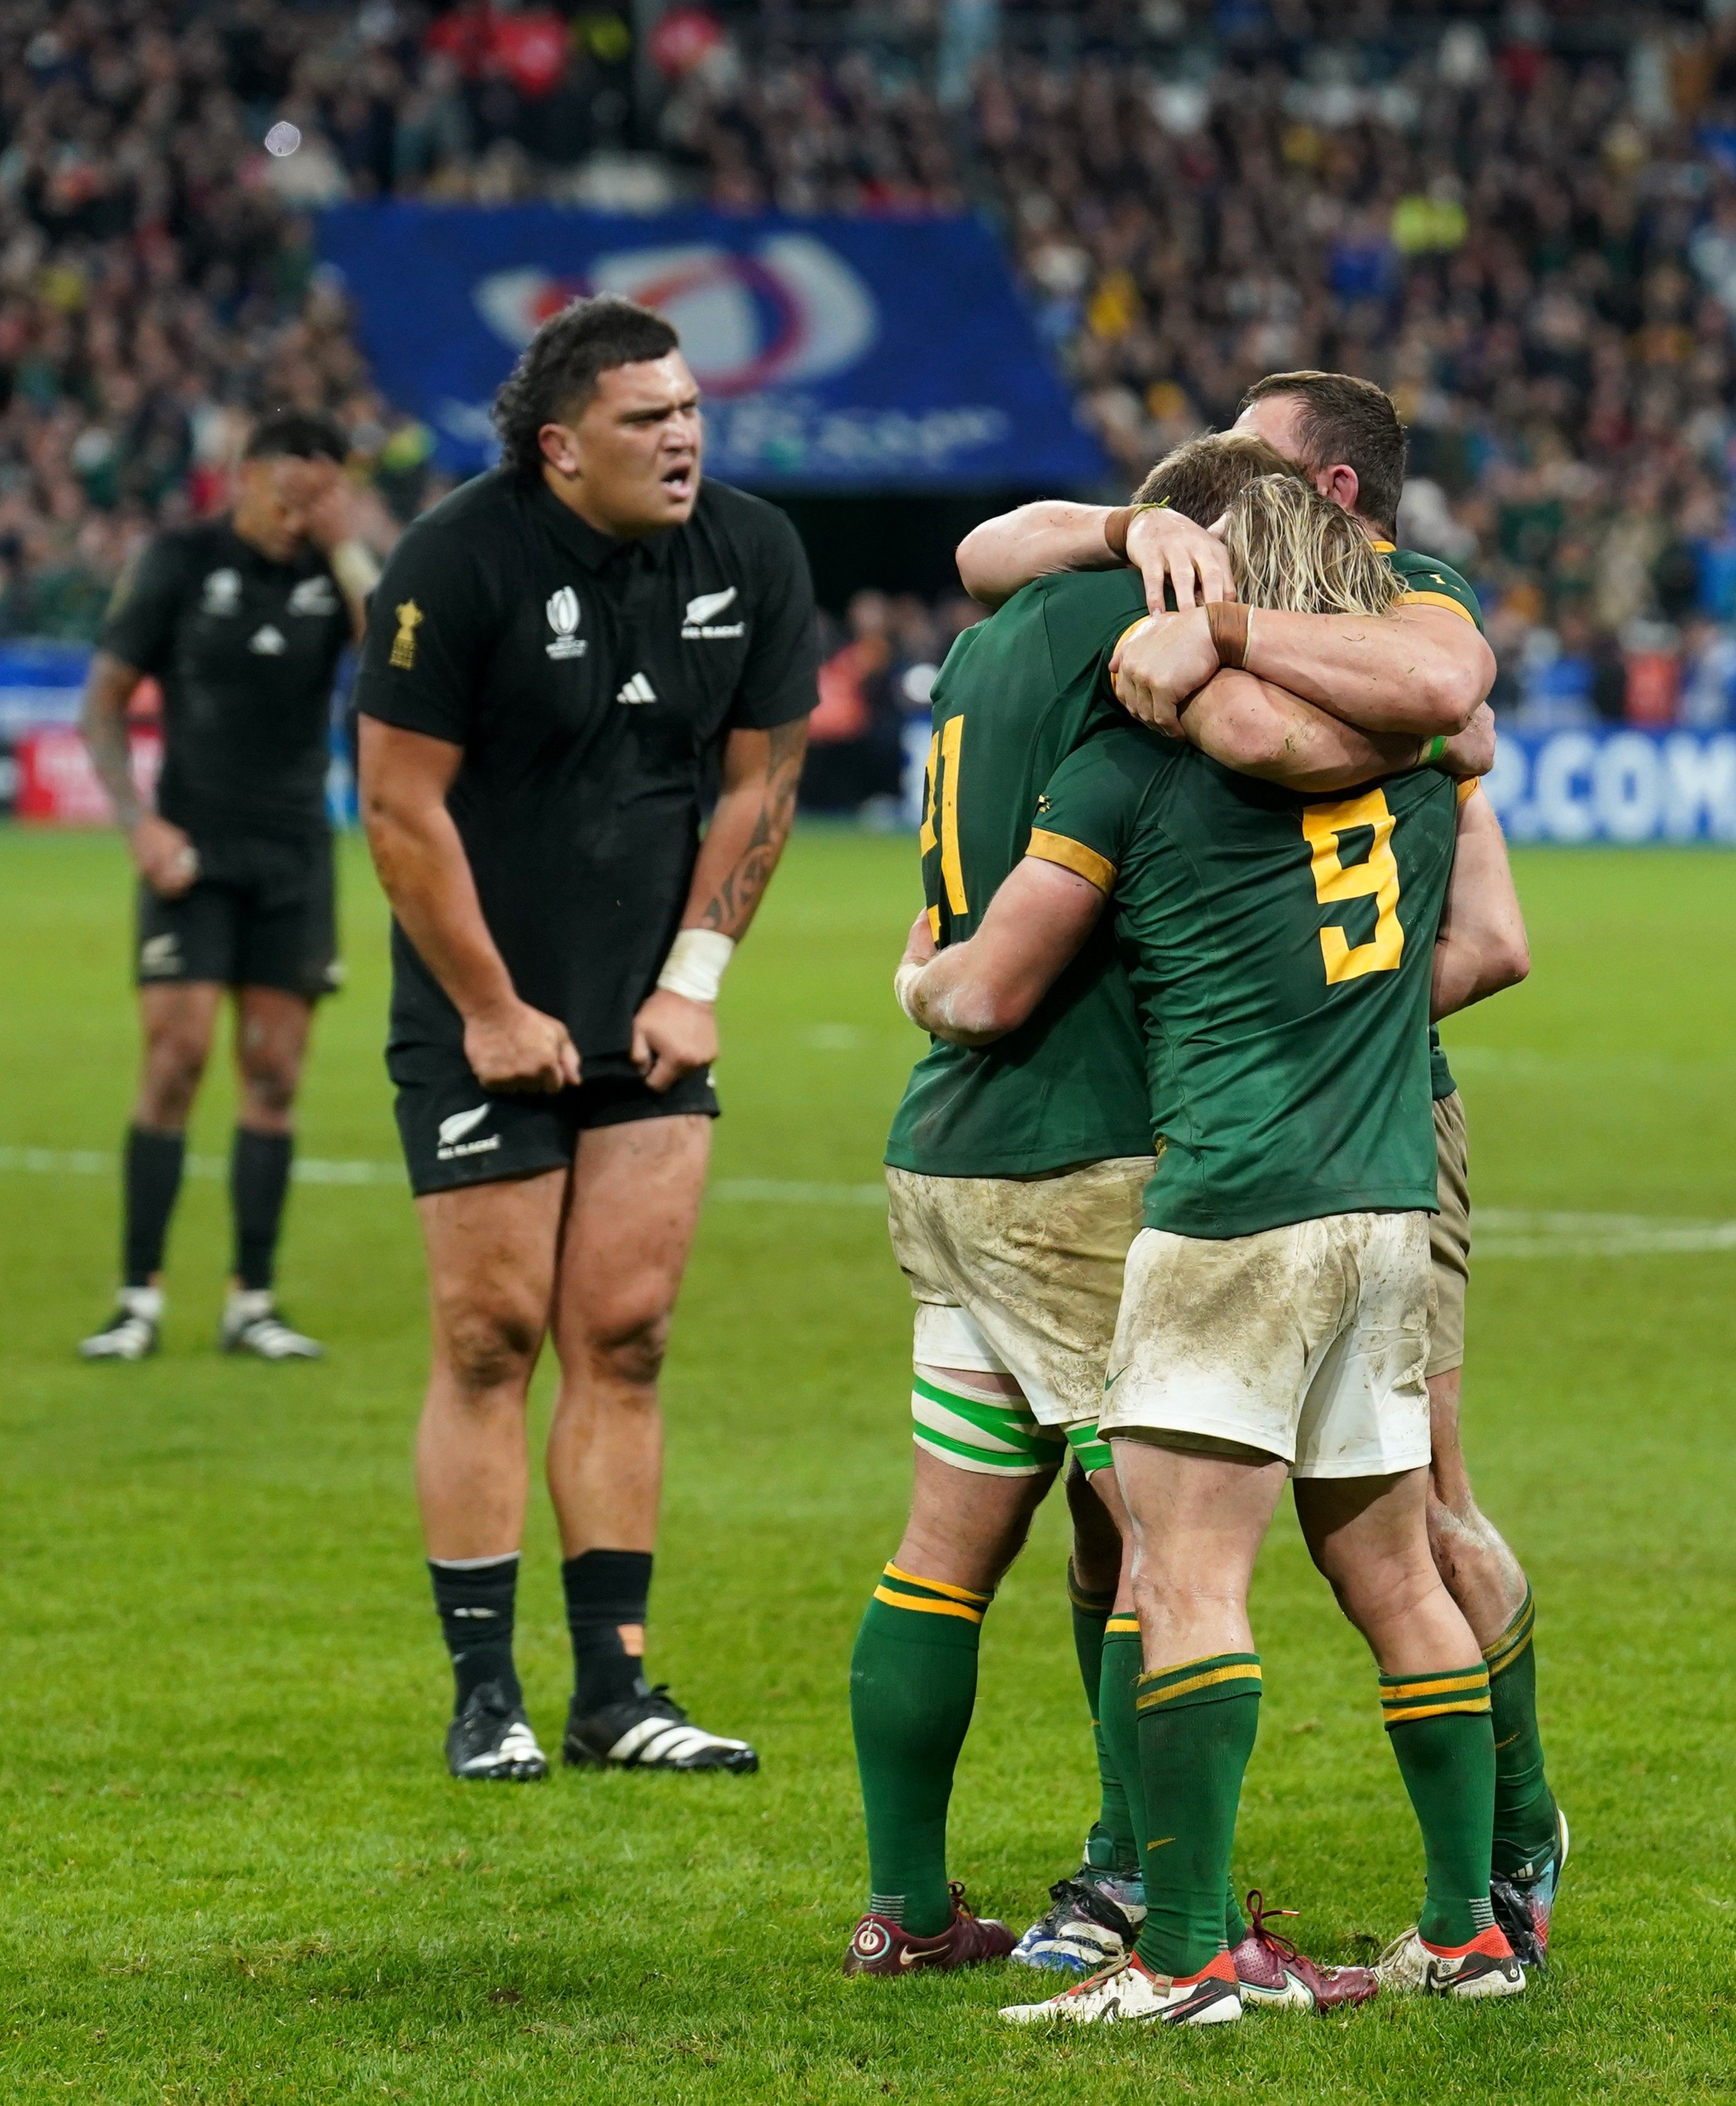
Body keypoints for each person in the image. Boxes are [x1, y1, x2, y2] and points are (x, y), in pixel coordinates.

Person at [843, 435, 1492, 2002]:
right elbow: (1396, 723)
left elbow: (993, 544)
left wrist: (918, 977)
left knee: (953, 1545)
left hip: (945, 1147)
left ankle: (911, 1902)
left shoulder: (1002, 634)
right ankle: (1153, 1910)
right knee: (1163, 1551)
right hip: (1102, 1148)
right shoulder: (1152, 691)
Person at [355, 296, 817, 1785]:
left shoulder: (750, 553)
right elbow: (399, 807)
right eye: (646, 419)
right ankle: (483, 1692)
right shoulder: (456, 561)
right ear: (562, 448)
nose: (683, 436)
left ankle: (615, 1693)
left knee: (628, 1335)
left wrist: (693, 979)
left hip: (649, 1018)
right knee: (489, 1339)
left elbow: (759, 787)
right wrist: (490, 1008)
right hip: (482, 1014)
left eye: (689, 410)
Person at [77, 410, 376, 1364]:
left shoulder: (336, 577)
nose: (301, 513)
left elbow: (410, 657)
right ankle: (138, 1298)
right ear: (244, 477)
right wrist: (140, 822)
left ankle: (253, 1300)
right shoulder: (176, 561)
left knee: (276, 1074)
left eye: (320, 496)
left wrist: (349, 550)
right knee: (175, 1059)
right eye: (289, 492)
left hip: (294, 851)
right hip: (191, 849)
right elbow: (103, 707)